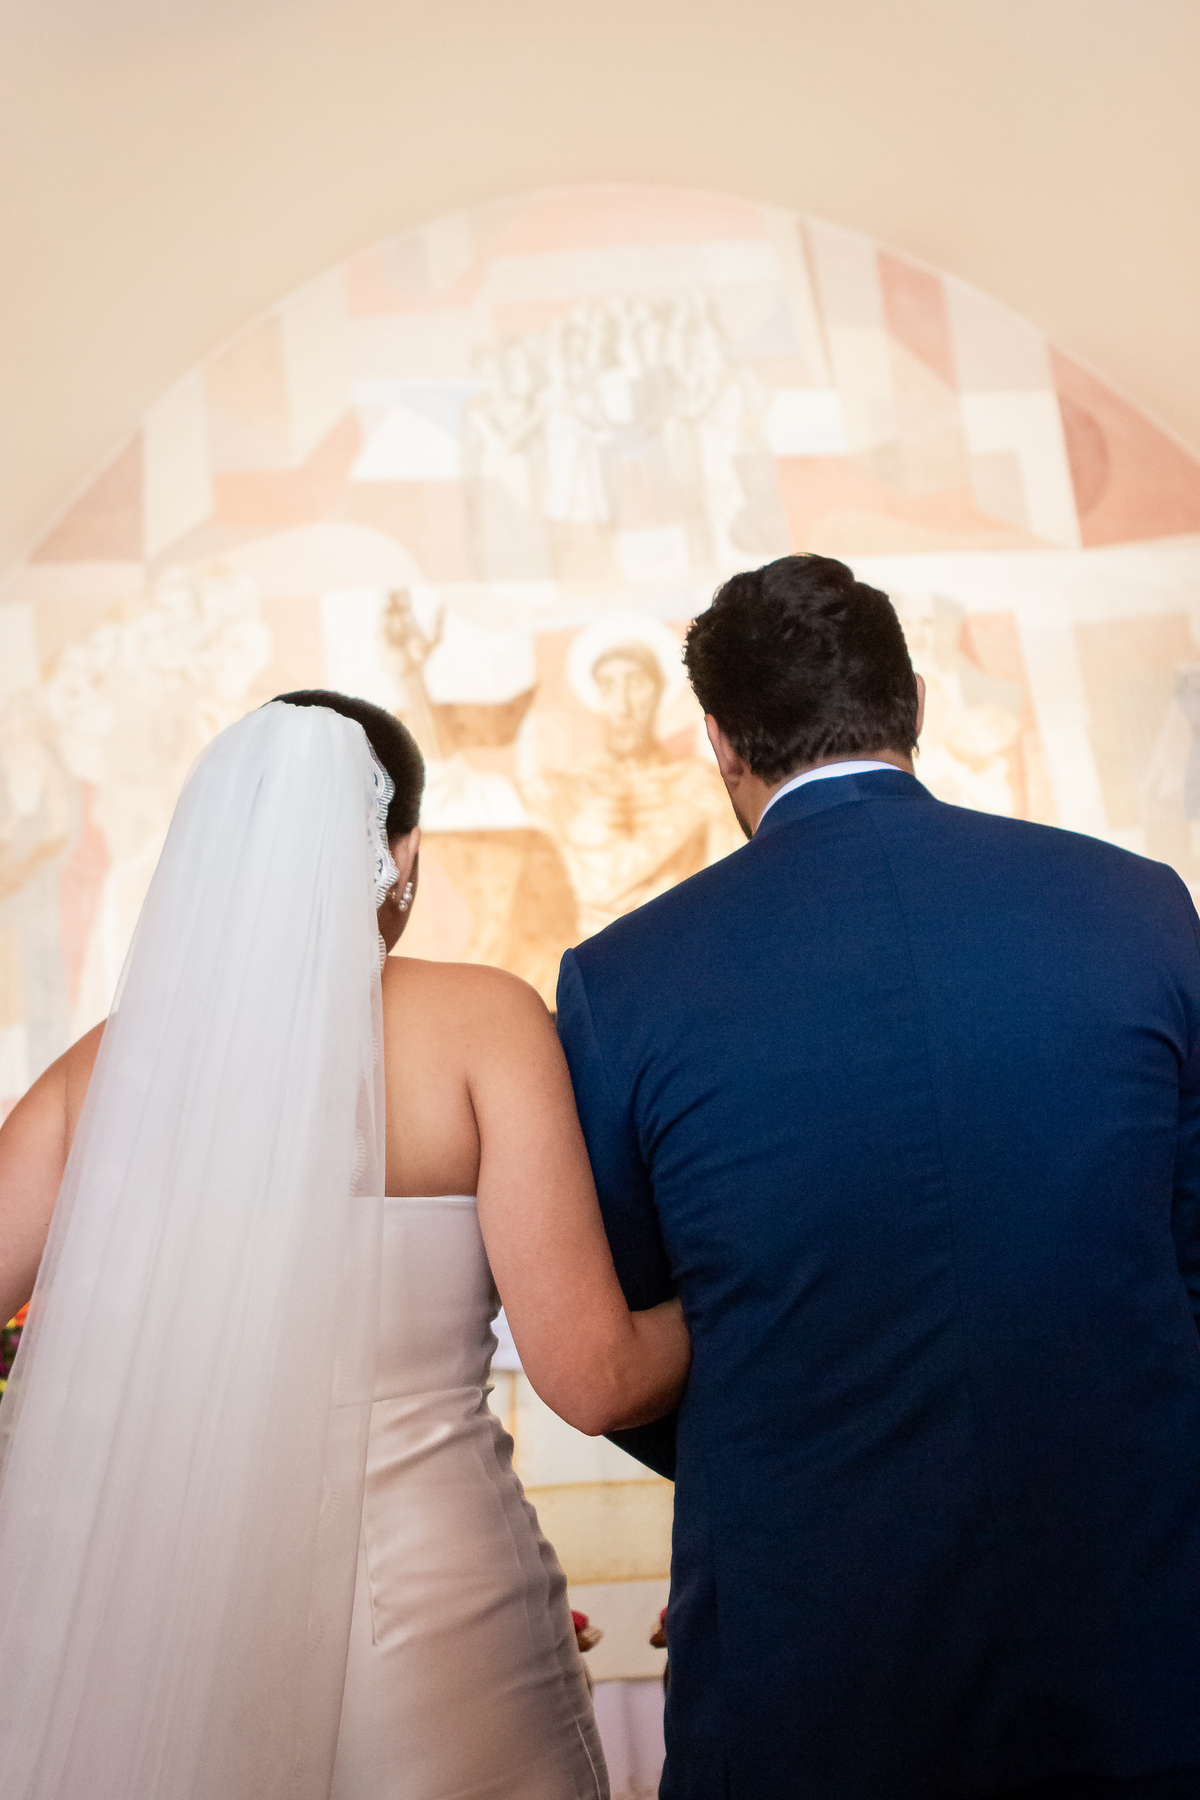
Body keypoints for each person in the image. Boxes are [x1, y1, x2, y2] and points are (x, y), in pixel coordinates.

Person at [555, 554, 1200, 1800]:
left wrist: (784, 1441)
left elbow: (631, 1329)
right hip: (1138, 1627)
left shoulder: (622, 978)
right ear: (913, 700)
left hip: (812, 1652)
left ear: (719, 741)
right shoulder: (1139, 907)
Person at [0, 691, 690, 1800]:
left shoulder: (100, 1076)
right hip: (431, 1610)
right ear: (400, 854)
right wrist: (746, 1300)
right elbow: (594, 1377)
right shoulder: (483, 1025)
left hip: (180, 1629)